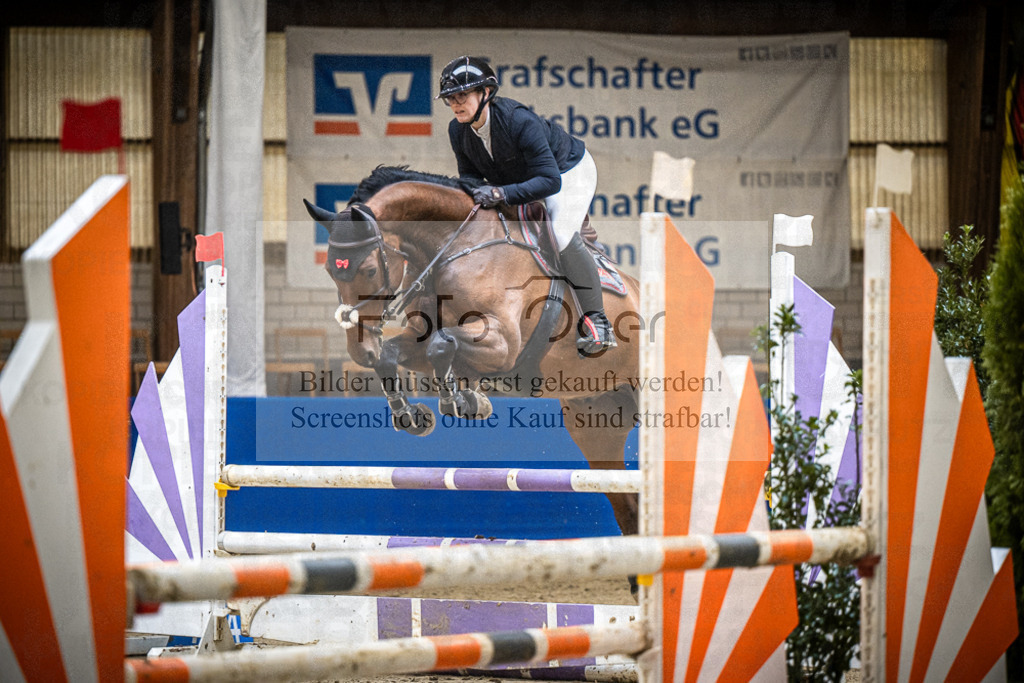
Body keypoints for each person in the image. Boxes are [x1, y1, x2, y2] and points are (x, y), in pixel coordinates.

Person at [437, 55, 616, 356]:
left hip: (567, 171)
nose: (456, 104)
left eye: (462, 96)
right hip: (521, 180)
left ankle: (598, 320)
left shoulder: (519, 121)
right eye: (450, 99)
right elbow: (469, 177)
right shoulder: (458, 131)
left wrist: (500, 194)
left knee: (559, 234)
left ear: (485, 93)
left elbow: (549, 182)